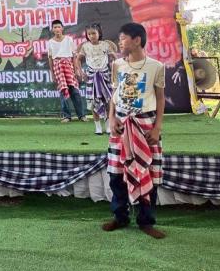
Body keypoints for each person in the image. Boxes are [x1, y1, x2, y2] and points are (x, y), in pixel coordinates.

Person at [102, 22, 166, 239]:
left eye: (122, 39)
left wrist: (157, 128)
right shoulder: (117, 65)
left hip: (145, 125)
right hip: (120, 126)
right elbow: (114, 95)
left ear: (137, 40)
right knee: (116, 174)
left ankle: (146, 221)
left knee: (148, 172)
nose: (119, 43)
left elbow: (160, 99)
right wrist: (111, 118)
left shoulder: (156, 66)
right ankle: (120, 216)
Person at [76, 22, 114, 134]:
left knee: (107, 100)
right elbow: (78, 59)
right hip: (91, 76)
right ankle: (97, 126)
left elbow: (114, 57)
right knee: (93, 101)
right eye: (89, 34)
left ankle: (108, 125)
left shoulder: (105, 45)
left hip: (105, 75)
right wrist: (81, 72)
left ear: (99, 33)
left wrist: (114, 70)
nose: (91, 36)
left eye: (94, 33)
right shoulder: (85, 46)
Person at [46, 19, 87, 123]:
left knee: (75, 91)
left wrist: (76, 70)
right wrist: (52, 74)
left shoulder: (69, 39)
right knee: (63, 91)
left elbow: (74, 56)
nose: (57, 29)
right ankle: (67, 116)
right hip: (58, 67)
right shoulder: (50, 42)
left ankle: (81, 115)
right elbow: (50, 59)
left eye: (59, 27)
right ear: (52, 29)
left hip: (69, 66)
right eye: (55, 27)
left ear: (62, 28)